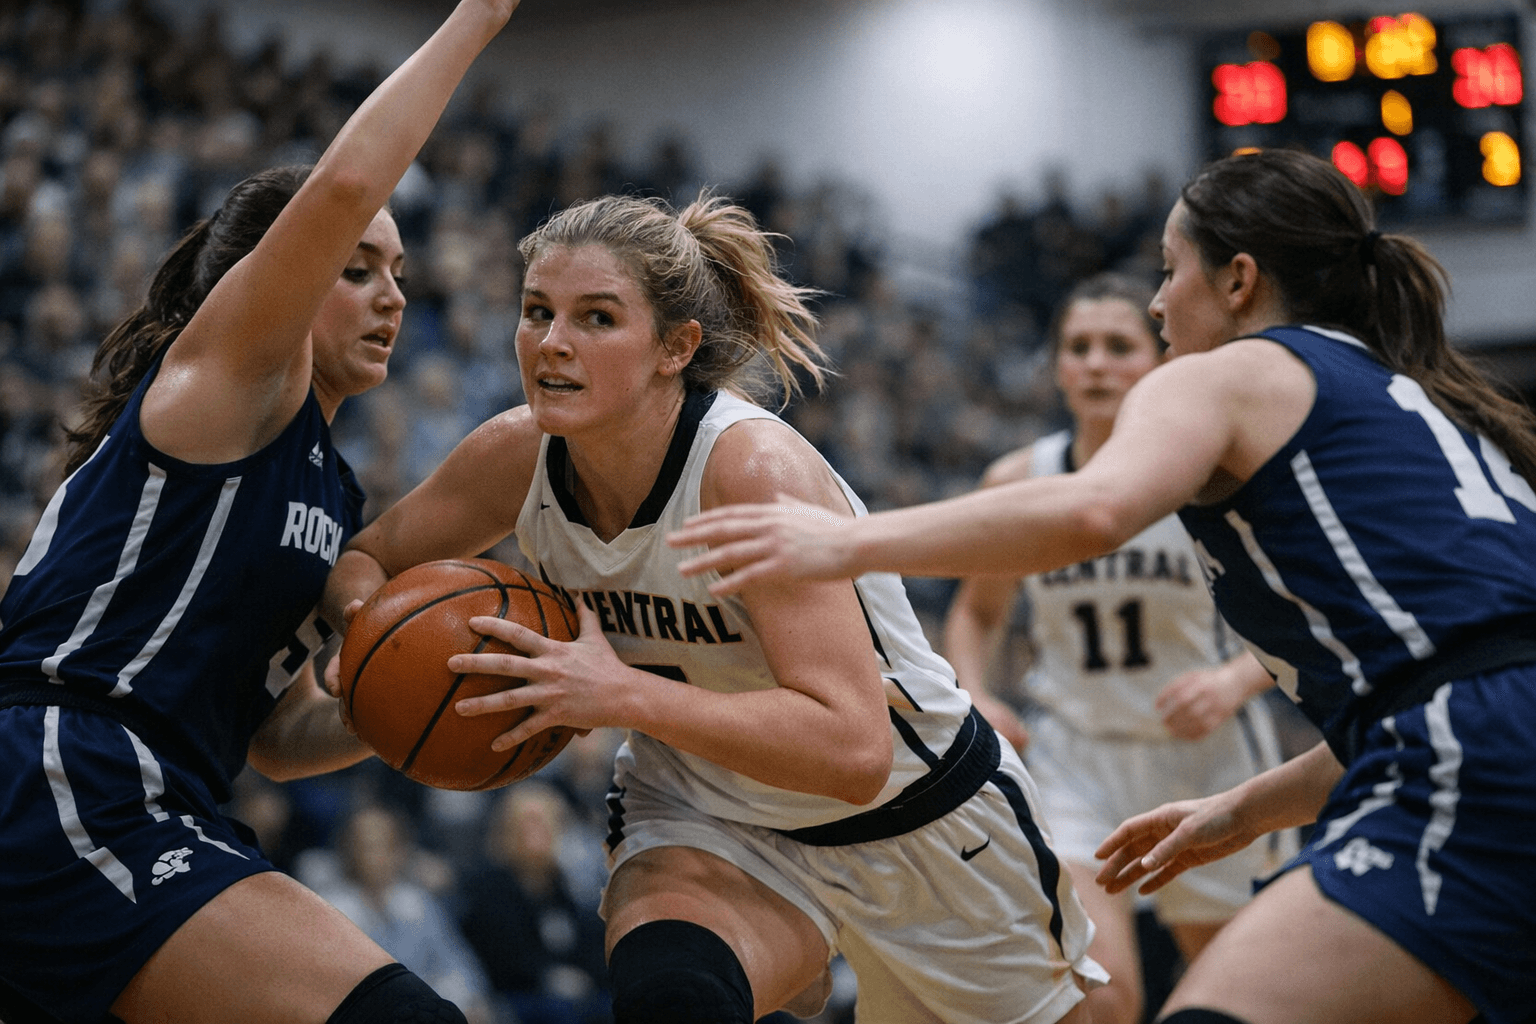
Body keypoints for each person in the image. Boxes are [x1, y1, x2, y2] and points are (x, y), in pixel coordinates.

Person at [669, 146, 1536, 1024]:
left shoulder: (1233, 373)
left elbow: (1092, 513)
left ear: (1238, 279)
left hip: (1472, 753)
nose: (1159, 302)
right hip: (1445, 740)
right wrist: (1243, 812)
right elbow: (1438, 678)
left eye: (1169, 271)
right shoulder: (1412, 395)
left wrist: (843, 543)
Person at [323, 192, 1107, 1024]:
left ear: (676, 347)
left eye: (596, 318)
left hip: (921, 819)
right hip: (704, 812)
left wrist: (621, 696)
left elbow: (852, 749)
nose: (551, 343)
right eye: (536, 312)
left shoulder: (749, 470)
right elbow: (367, 558)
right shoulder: (518, 454)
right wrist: (366, 631)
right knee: (673, 1002)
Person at [0, 3, 518, 1022]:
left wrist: (410, 704)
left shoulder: (330, 487)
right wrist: (478, 18)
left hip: (161, 795)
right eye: (357, 268)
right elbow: (346, 183)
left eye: (400, 277)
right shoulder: (235, 381)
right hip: (69, 770)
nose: (390, 298)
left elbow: (277, 737)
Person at [942, 271, 1294, 1023]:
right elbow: (976, 612)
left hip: (1207, 759)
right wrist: (974, 693)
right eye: (1078, 347)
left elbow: (1303, 616)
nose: (1096, 363)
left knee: (1234, 993)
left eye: (1117, 345)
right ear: (1058, 367)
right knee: (1103, 996)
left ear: (1159, 360)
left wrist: (1234, 680)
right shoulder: (1019, 477)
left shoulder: (1211, 475)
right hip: (1078, 758)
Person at [308, 804, 496, 1024]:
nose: (377, 855)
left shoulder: (419, 901)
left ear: (401, 851)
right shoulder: (328, 907)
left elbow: (457, 961)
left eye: (386, 844)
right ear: (348, 849)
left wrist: (471, 1001)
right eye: (367, 845)